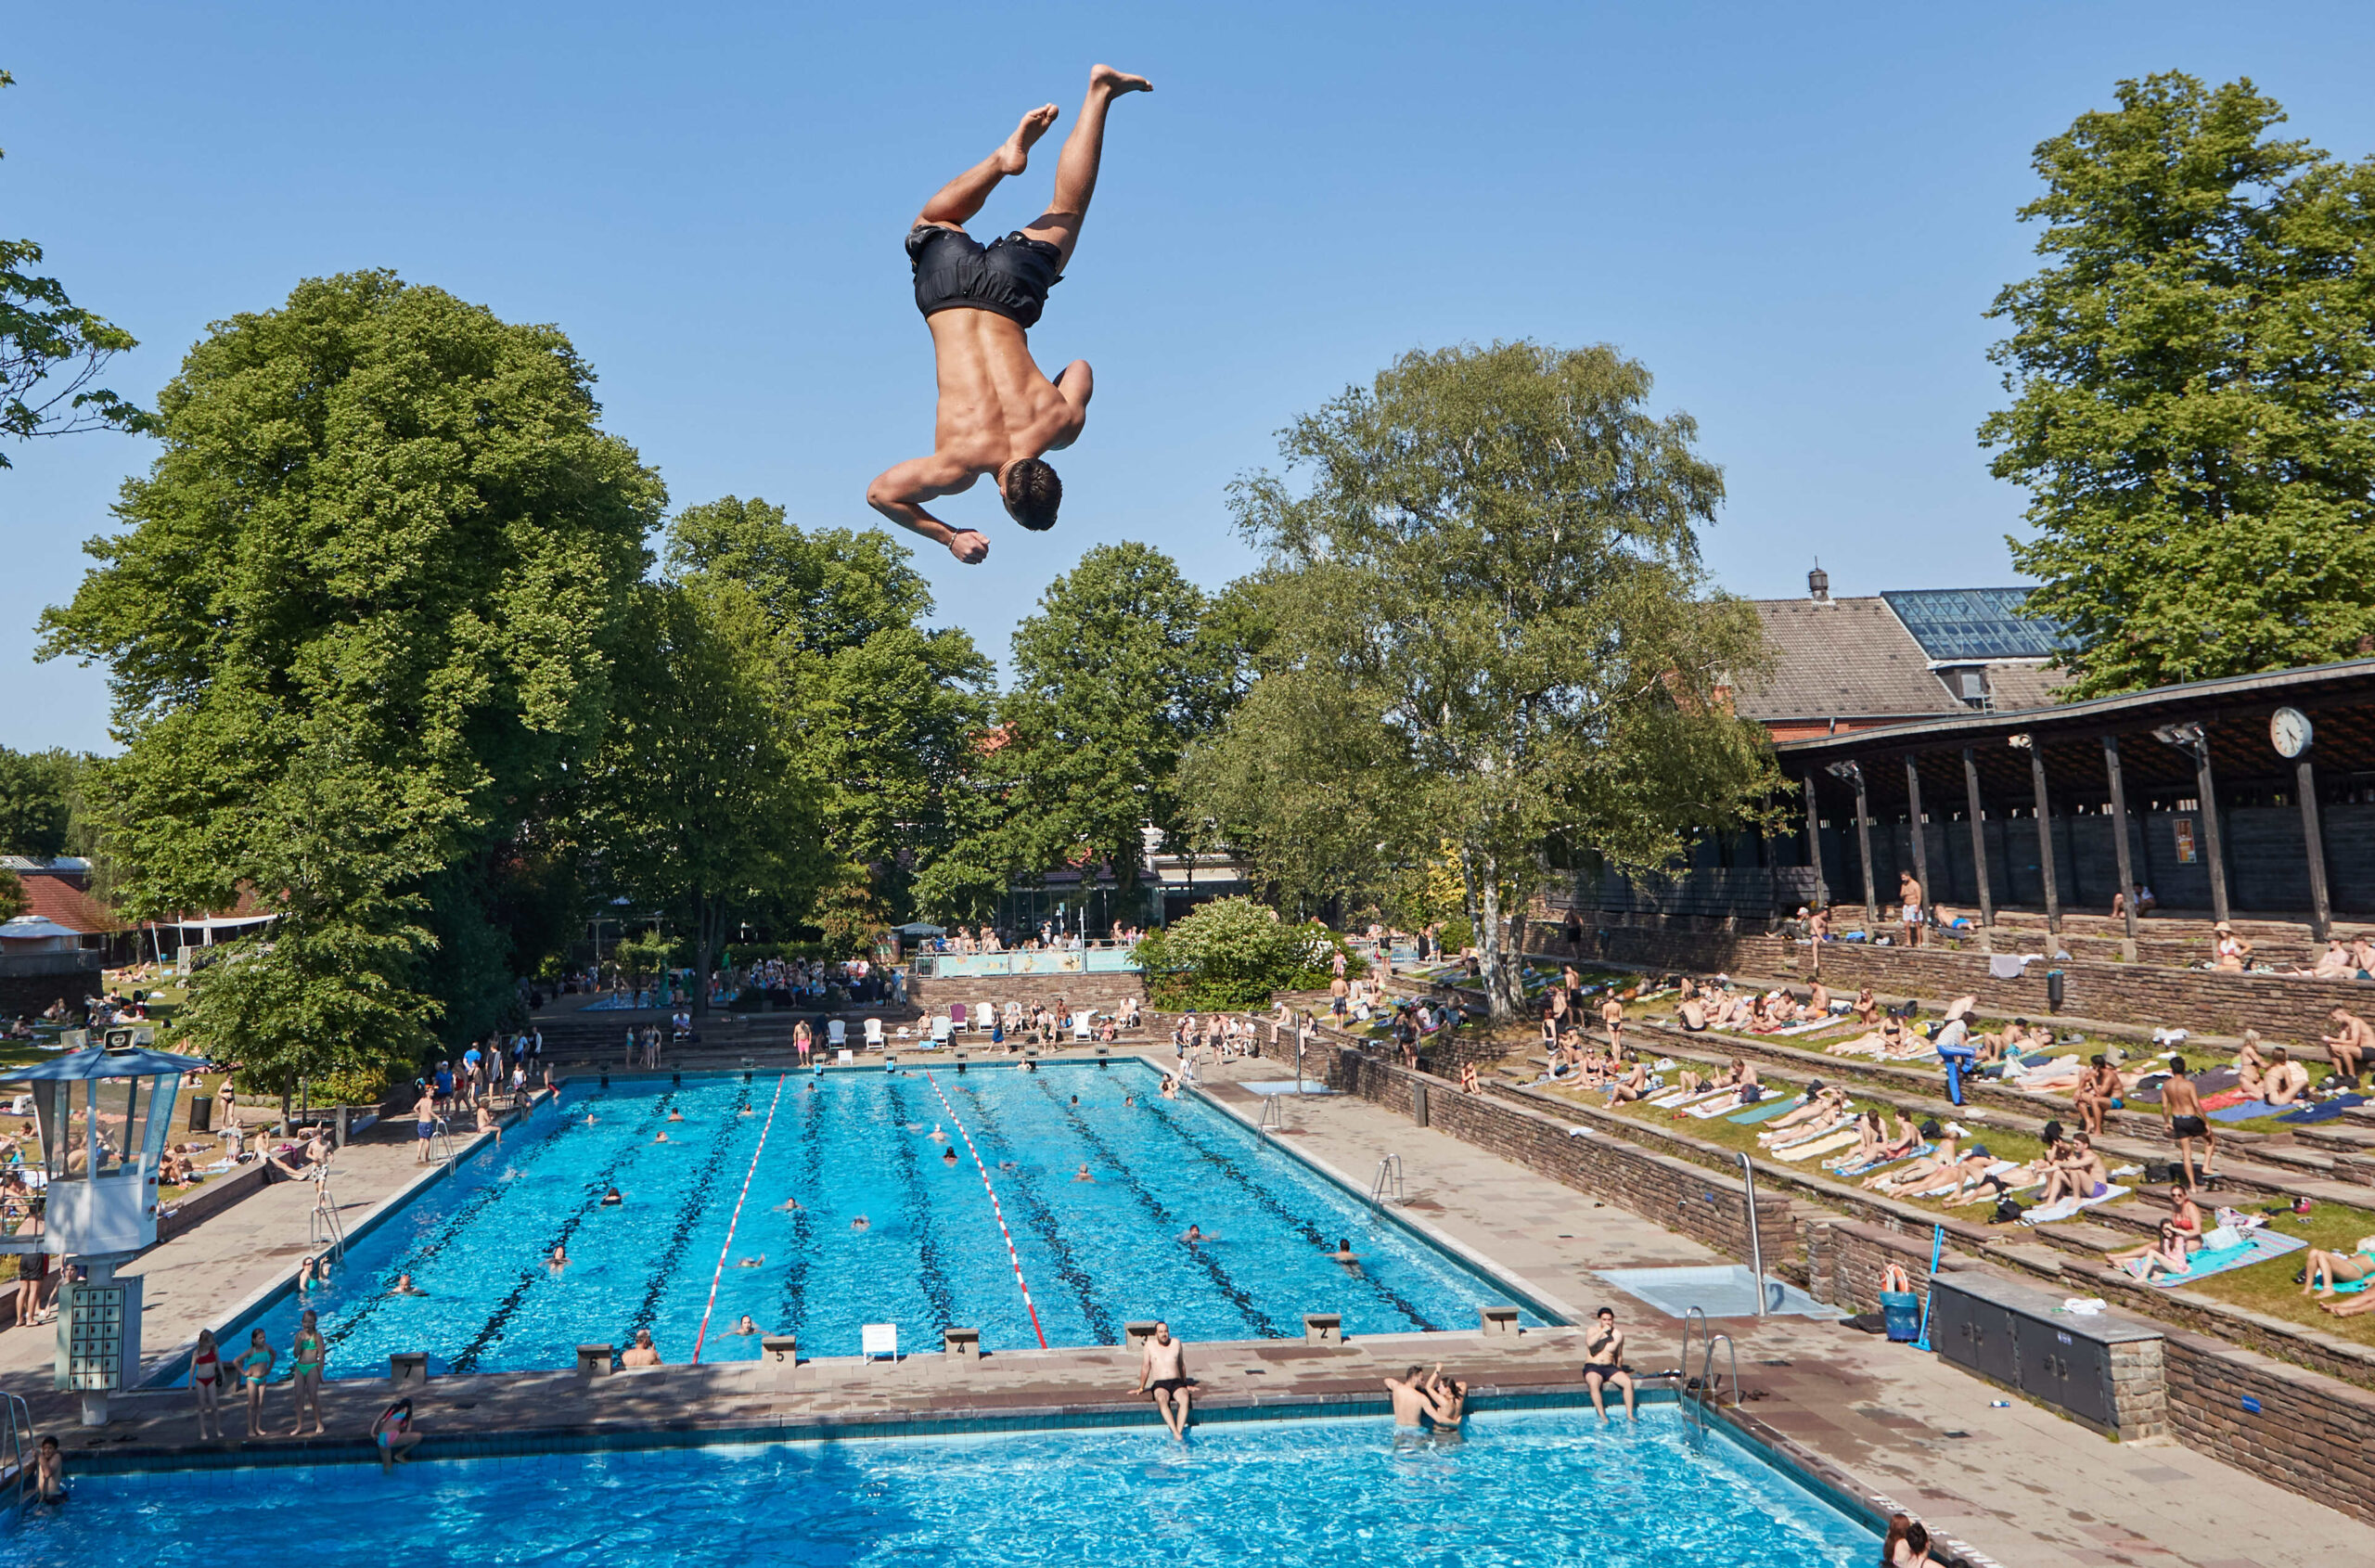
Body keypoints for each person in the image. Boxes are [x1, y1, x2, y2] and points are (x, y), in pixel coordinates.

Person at [867, 65, 1154, 563]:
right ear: (1003, 496)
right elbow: (880, 494)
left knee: (1068, 207)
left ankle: (1096, 96)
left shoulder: (1058, 423)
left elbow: (1081, 368)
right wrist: (950, 536)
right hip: (946, 293)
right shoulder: (957, 466)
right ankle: (1000, 160)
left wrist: (1059, 433)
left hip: (1011, 295)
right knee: (933, 222)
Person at [2159, 1058, 2216, 1185]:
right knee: (2210, 1139)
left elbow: (2164, 1107)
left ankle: (2192, 1186)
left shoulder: (2166, 1085)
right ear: (2184, 1068)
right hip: (2191, 1118)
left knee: (2186, 1154)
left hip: (2178, 1119)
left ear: (2172, 1069)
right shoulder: (2189, 1085)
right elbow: (2196, 1105)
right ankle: (2206, 1166)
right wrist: (2206, 1121)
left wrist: (2166, 1122)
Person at [1134, 1322, 1192, 1441]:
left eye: (1165, 1331)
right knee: (1161, 1399)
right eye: (1161, 1332)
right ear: (1156, 1334)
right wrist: (1141, 1387)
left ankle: (1178, 1432)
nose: (1164, 1334)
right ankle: (1176, 1432)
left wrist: (1185, 1384)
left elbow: (1181, 1365)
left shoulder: (1176, 1343)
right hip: (1160, 1383)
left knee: (1185, 1398)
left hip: (1176, 1382)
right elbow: (1146, 1366)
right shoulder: (1150, 1345)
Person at [1582, 1305, 1635, 1421]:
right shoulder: (1593, 1330)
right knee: (1594, 1384)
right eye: (1604, 1319)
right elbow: (1590, 1343)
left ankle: (1630, 1415)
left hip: (1609, 1367)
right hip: (1593, 1366)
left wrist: (1619, 1370)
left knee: (1627, 1383)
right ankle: (1603, 1415)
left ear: (1613, 1319)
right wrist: (1602, 1332)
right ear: (1599, 1320)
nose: (1607, 1322)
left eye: (1609, 1320)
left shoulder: (1618, 1335)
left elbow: (1619, 1355)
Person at [288, 1309, 327, 1436]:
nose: (307, 1325)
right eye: (305, 1322)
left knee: (312, 1396)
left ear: (314, 1322)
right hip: (300, 1367)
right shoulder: (299, 1335)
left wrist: (320, 1372)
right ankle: (299, 1426)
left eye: (310, 1322)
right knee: (298, 1397)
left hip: (312, 1367)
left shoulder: (317, 1336)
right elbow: (295, 1354)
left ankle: (319, 1422)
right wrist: (298, 1343)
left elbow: (321, 1355)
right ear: (302, 1322)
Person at [232, 1326, 276, 1437]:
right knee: (252, 1404)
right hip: (252, 1379)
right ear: (254, 1340)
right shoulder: (251, 1351)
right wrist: (243, 1372)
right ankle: (250, 1429)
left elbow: (274, 1354)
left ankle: (258, 1427)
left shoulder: (267, 1348)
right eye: (260, 1338)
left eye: (264, 1337)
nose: (263, 1340)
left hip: (263, 1379)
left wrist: (269, 1368)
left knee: (260, 1404)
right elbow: (236, 1361)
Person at [190, 1325, 225, 1439]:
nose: (212, 1343)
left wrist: (223, 1375)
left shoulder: (214, 1349)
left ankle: (218, 1429)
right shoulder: (197, 1353)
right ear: (203, 1342)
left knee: (214, 1406)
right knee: (202, 1406)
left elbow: (219, 1362)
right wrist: (190, 1384)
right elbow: (192, 1369)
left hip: (211, 1379)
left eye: (212, 1341)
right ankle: (203, 1431)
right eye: (209, 1342)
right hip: (200, 1380)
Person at [2321, 1008, 2370, 1086]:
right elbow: (2341, 1041)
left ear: (2342, 1014)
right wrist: (2329, 1041)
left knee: (2345, 1049)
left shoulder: (2355, 1022)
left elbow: (2354, 1042)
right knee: (2330, 1047)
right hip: (2358, 1050)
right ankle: (2340, 1075)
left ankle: (2352, 1077)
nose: (2335, 1021)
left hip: (2370, 1050)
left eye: (2335, 1018)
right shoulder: (2344, 1025)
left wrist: (2334, 1040)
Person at [372, 1398, 422, 1472]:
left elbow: (378, 1418)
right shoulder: (405, 1411)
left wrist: (372, 1432)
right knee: (419, 1436)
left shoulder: (391, 1408)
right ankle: (399, 1455)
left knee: (387, 1468)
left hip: (381, 1438)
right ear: (408, 1407)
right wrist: (410, 1416)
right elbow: (408, 1431)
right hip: (391, 1437)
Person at [413, 1083, 438, 1165]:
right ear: (427, 1092)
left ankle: (418, 1156)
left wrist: (420, 1114)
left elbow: (415, 1108)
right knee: (427, 1140)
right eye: (431, 1090)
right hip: (427, 1122)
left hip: (421, 1122)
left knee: (421, 1140)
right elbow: (430, 1110)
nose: (433, 1092)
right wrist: (437, 1117)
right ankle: (426, 1157)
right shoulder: (430, 1101)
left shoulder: (421, 1100)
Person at [33, 1435, 62, 1504]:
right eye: (45, 1448)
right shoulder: (44, 1459)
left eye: (50, 1448)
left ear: (55, 1449)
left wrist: (40, 1456)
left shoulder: (57, 1457)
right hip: (42, 1495)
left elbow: (47, 1473)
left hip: (53, 1496)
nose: (47, 1451)